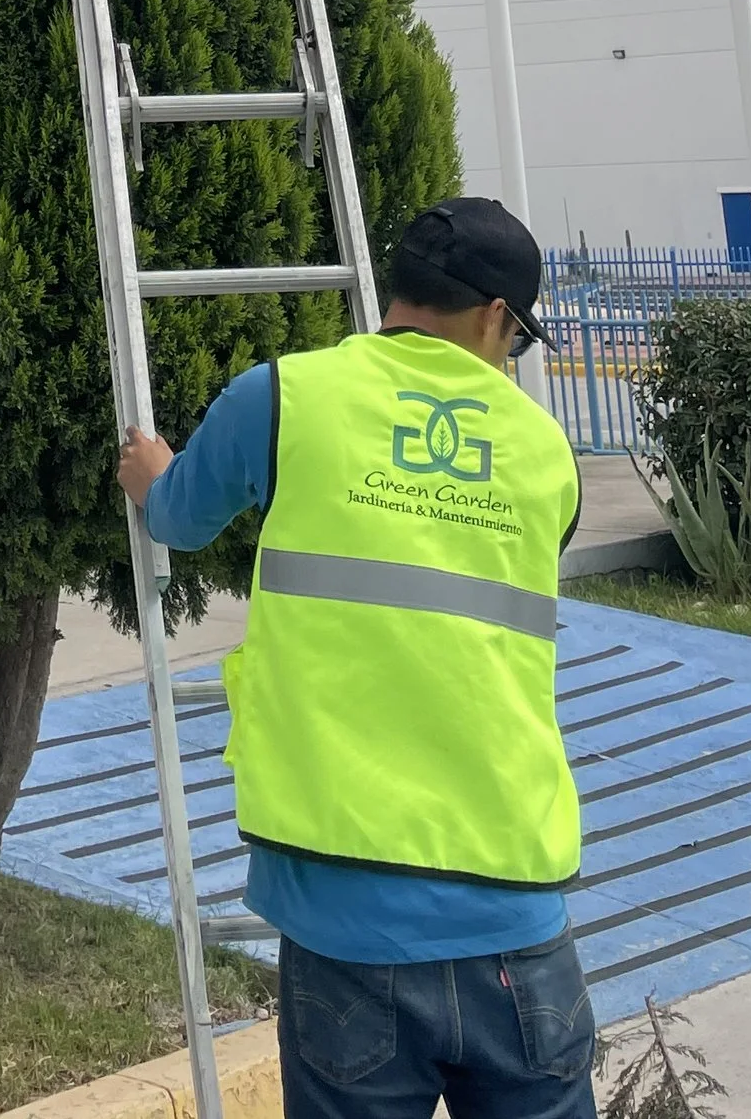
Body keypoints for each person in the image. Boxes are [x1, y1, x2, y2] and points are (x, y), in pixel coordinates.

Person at [115, 198, 593, 1119]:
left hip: (343, 917)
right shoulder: (547, 453)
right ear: (497, 316)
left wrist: (153, 474)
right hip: (515, 914)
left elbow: (179, 516)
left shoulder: (282, 398)